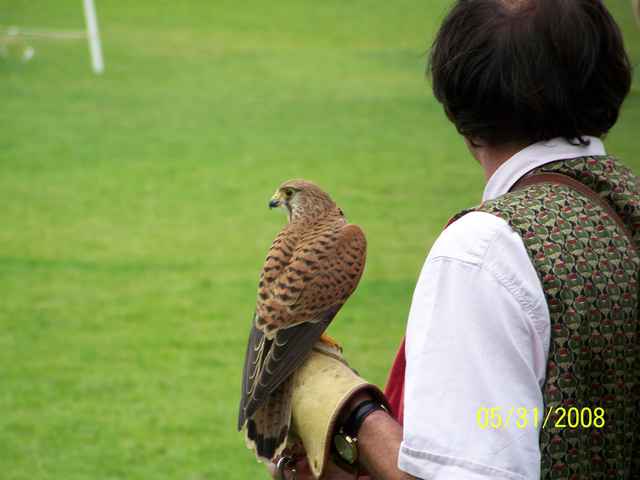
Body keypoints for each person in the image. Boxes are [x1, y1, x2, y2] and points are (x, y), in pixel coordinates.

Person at [270, 0, 638, 478]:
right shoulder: (625, 203)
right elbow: (582, 422)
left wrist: (355, 415)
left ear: (460, 111)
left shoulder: (486, 252)